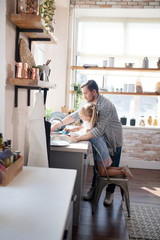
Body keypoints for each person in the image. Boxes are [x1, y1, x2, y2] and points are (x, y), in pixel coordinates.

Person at [50, 80, 123, 206]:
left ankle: (109, 193)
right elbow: (77, 115)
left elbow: (98, 130)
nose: (84, 96)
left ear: (94, 92)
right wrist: (59, 123)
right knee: (97, 167)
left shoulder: (106, 106)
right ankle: (94, 189)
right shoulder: (90, 102)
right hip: (99, 140)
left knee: (110, 169)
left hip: (113, 140)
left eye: (85, 93)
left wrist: (79, 138)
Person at [65, 103, 132, 179]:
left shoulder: (91, 126)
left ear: (88, 117)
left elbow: (87, 137)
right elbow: (79, 128)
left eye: (82, 116)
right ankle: (122, 169)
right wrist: (70, 130)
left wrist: (76, 138)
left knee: (102, 173)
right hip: (102, 150)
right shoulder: (88, 122)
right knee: (104, 170)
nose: (80, 117)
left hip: (101, 152)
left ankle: (122, 171)